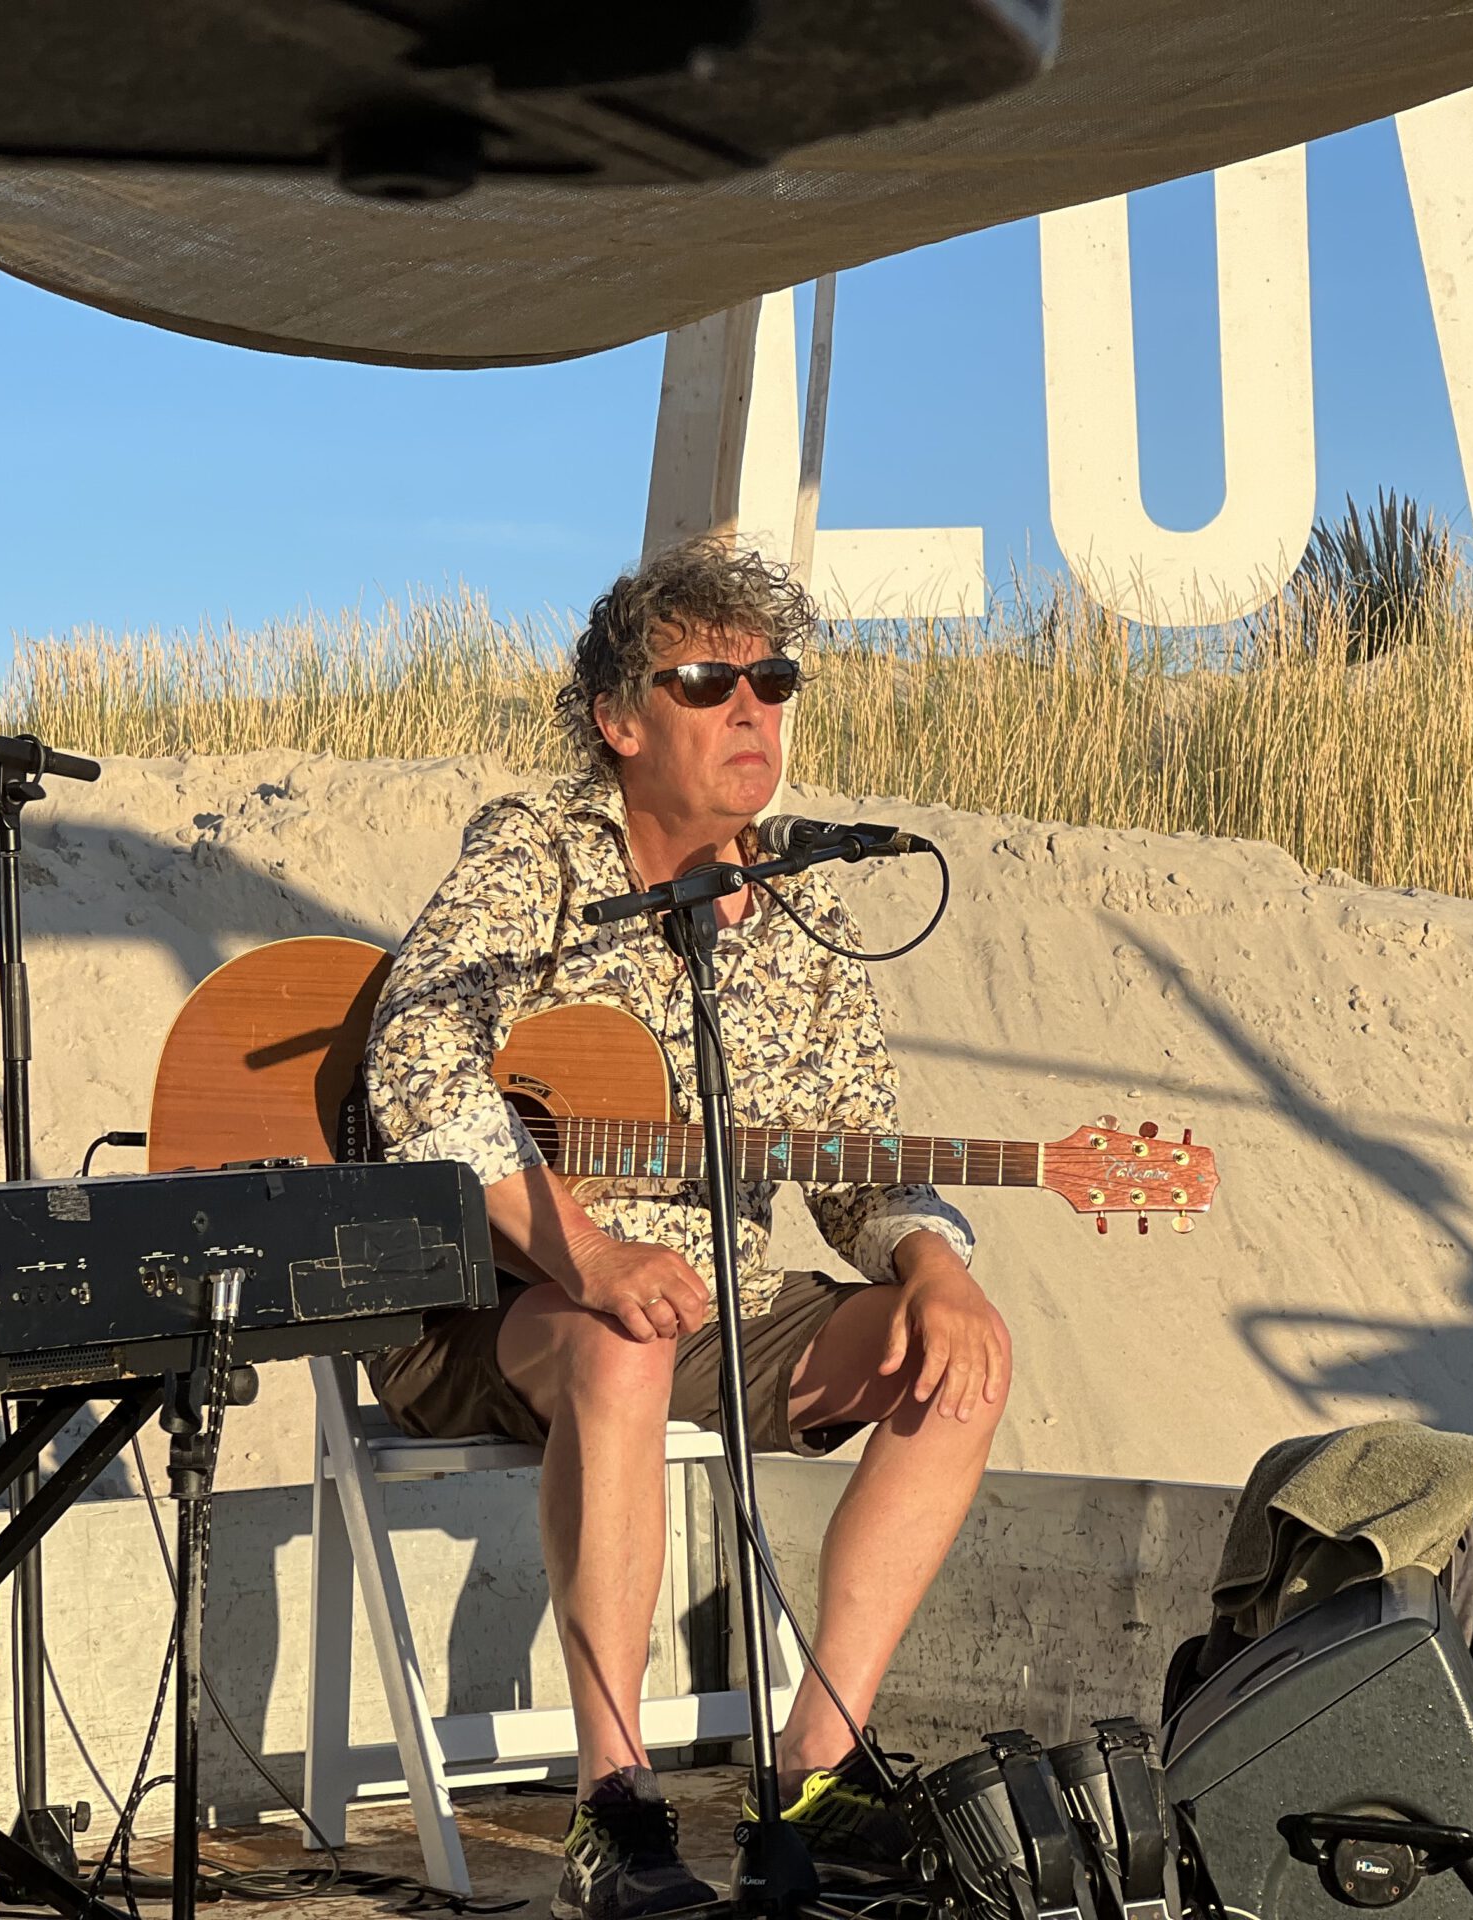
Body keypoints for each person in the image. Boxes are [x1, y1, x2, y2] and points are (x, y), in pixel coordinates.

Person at [363, 538, 1011, 1920]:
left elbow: (854, 1154)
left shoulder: (802, 898)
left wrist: (935, 1266)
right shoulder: (536, 852)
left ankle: (820, 1772)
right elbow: (417, 1060)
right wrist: (589, 1256)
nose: (752, 712)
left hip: (718, 1296)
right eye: (711, 684)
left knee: (960, 1354)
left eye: (774, 682)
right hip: (488, 1304)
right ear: (619, 717)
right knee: (621, 1343)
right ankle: (616, 1808)